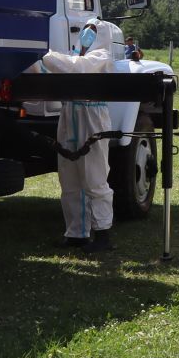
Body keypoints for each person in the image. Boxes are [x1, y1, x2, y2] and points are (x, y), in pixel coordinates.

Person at [35, 16, 122, 252]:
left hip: (91, 118)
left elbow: (75, 68)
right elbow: (49, 69)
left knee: (94, 178)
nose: (88, 35)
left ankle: (103, 235)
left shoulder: (101, 57)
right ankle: (76, 234)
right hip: (69, 115)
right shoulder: (73, 57)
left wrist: (43, 52)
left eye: (93, 31)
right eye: (86, 30)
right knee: (70, 179)